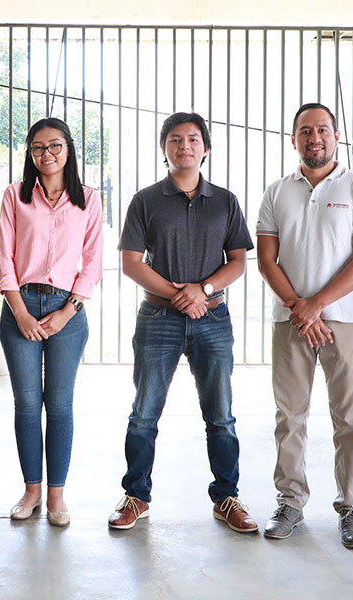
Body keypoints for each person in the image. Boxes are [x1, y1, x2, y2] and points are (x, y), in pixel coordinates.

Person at [109, 112, 257, 533]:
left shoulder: (225, 201)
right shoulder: (145, 200)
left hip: (213, 318)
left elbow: (239, 262)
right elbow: (131, 263)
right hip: (158, 318)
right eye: (175, 140)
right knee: (144, 413)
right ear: (164, 150)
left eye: (193, 139)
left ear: (205, 149)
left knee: (221, 414)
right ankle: (136, 496)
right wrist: (180, 295)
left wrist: (203, 290)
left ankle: (227, 497)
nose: (184, 146)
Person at [254, 103, 353, 548]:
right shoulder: (276, 192)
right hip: (290, 321)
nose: (315, 138)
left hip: (345, 321)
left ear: (336, 136)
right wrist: (299, 308)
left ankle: (351, 509)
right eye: (305, 131)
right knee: (289, 416)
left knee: (350, 418)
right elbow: (266, 259)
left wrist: (318, 306)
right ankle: (290, 501)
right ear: (293, 140)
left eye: (323, 130)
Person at [0, 117, 104, 527]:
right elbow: (3, 256)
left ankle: (56, 494)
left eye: (55, 145)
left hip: (67, 310)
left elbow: (92, 263)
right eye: (38, 147)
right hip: (21, 304)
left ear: (69, 149)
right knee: (26, 404)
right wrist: (21, 312)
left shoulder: (87, 199)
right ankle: (31, 490)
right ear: (30, 153)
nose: (47, 154)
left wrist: (67, 311)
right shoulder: (15, 196)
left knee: (58, 406)